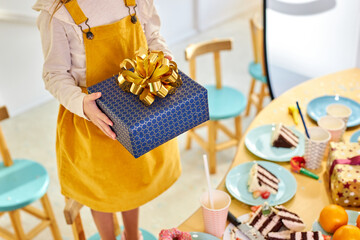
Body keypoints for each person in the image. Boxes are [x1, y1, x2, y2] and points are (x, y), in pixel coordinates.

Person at [32, 0, 181, 239]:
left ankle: (132, 235)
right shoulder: (57, 14)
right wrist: (81, 103)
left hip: (136, 110)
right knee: (100, 191)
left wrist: (163, 58)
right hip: (93, 121)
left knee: (132, 179)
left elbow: (153, 36)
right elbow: (55, 75)